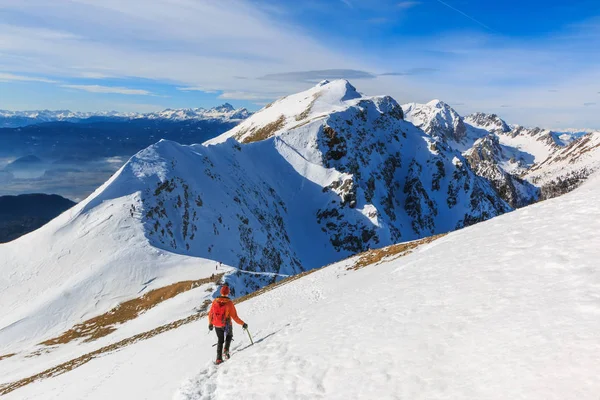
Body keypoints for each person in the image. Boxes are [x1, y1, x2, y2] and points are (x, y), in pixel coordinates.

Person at [208, 283, 247, 364]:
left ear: (221, 292)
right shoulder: (229, 303)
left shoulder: (215, 301)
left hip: (216, 324)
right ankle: (226, 350)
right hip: (227, 324)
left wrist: (210, 324)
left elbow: (210, 313)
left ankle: (218, 359)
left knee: (220, 340)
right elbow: (235, 317)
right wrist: (243, 323)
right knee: (229, 336)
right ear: (228, 293)